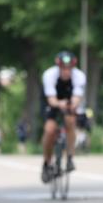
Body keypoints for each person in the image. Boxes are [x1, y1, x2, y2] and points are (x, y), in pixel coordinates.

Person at [41, 51, 86, 182]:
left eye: (69, 69)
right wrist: (59, 103)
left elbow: (77, 97)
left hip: (70, 100)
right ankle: (47, 163)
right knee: (49, 130)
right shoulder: (49, 75)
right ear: (59, 67)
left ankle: (70, 156)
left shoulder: (79, 76)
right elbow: (51, 99)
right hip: (54, 101)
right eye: (63, 69)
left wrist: (71, 105)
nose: (66, 72)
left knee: (71, 121)